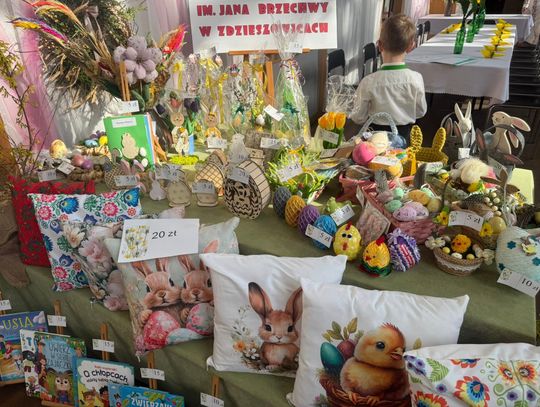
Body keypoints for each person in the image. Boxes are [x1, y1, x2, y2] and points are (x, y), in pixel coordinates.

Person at [351, 14, 427, 140]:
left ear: (379, 45)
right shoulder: (416, 78)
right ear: (411, 46)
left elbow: (358, 117)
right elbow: (420, 112)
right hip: (404, 135)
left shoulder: (368, 82)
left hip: (374, 137)